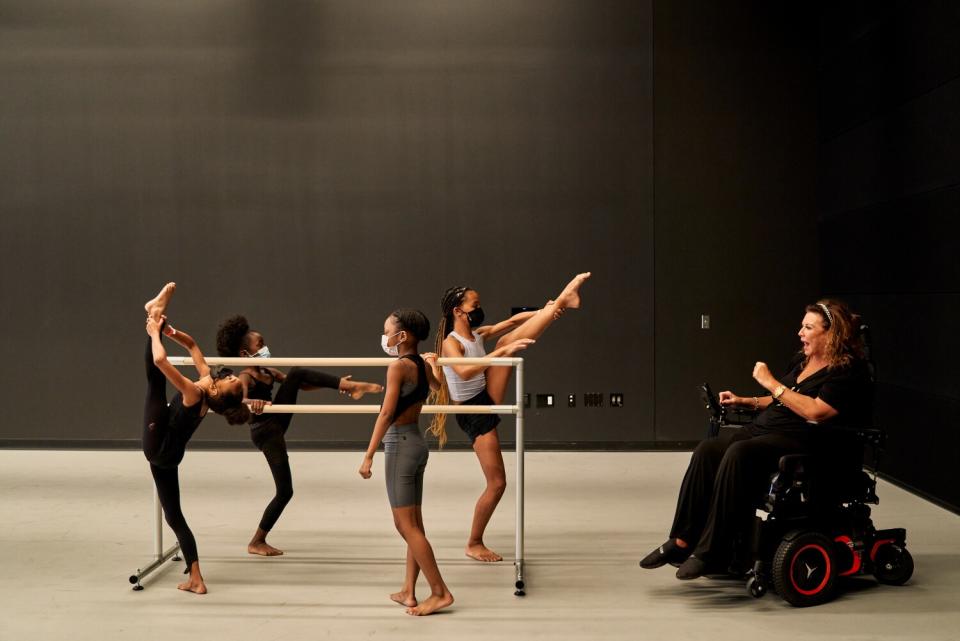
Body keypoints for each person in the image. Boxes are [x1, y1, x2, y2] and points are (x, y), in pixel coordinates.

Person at [639, 299, 873, 580]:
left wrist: (771, 382)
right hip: (766, 431)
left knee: (740, 453)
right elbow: (782, 399)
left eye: (808, 327)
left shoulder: (846, 371)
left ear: (831, 334)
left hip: (805, 445)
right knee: (708, 450)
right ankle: (682, 540)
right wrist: (746, 400)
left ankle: (712, 551)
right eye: (802, 325)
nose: (800, 332)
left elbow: (816, 411)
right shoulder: (803, 360)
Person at [427, 273, 591, 562]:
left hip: (484, 394)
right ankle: (473, 542)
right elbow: (465, 371)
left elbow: (513, 322)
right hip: (472, 412)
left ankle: (562, 301)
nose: (479, 309)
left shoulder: (475, 335)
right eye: (474, 304)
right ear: (458, 311)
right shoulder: (451, 343)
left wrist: (547, 310)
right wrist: (503, 352)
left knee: (505, 336)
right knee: (497, 483)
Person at [216, 315, 383, 556]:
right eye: (259, 345)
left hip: (276, 422)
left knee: (295, 373)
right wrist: (254, 402)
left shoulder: (268, 371)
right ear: (244, 354)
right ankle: (257, 541)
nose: (264, 348)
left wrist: (337, 384)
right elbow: (238, 401)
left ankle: (350, 386)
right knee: (285, 491)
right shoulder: (245, 377)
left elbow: (300, 382)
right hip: (263, 431)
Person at [142, 283, 249, 594]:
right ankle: (196, 579)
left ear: (216, 391)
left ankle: (153, 313)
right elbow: (193, 346)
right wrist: (171, 332)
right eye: (230, 377)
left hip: (157, 443)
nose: (229, 375)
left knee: (154, 384)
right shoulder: (206, 384)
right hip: (170, 456)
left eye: (228, 380)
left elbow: (162, 363)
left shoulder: (194, 392)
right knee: (174, 515)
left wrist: (154, 333)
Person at [358, 309, 453, 616]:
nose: (385, 337)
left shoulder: (398, 367)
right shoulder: (421, 365)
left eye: (388, 331)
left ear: (403, 336)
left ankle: (439, 592)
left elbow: (386, 414)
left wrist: (369, 454)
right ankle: (409, 591)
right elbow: (439, 389)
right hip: (417, 444)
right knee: (415, 524)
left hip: (399, 445)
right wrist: (434, 367)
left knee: (405, 525)